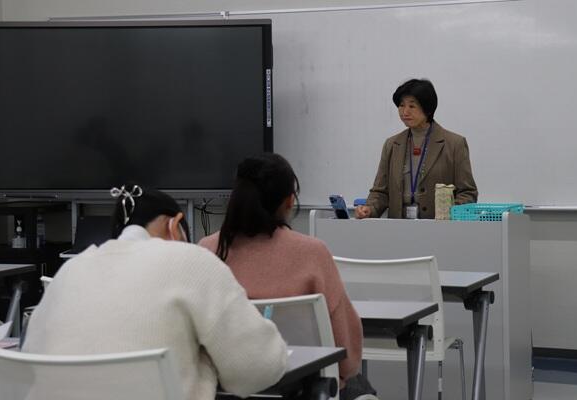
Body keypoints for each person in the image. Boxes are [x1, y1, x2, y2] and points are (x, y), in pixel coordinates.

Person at [23, 184, 287, 400]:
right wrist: (204, 363)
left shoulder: (69, 271)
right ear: (175, 225)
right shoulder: (191, 261)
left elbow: (29, 367)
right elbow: (257, 369)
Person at [199, 153, 376, 400]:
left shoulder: (207, 251)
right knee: (361, 387)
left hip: (224, 390)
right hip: (303, 390)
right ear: (289, 201)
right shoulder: (312, 253)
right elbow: (346, 354)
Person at [355, 79, 478, 219]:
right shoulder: (392, 144)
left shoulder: (455, 144)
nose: (405, 112)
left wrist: (449, 214)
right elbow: (380, 192)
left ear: (427, 109)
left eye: (412, 106)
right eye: (401, 105)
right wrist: (369, 209)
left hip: (439, 227)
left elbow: (467, 193)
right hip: (398, 227)